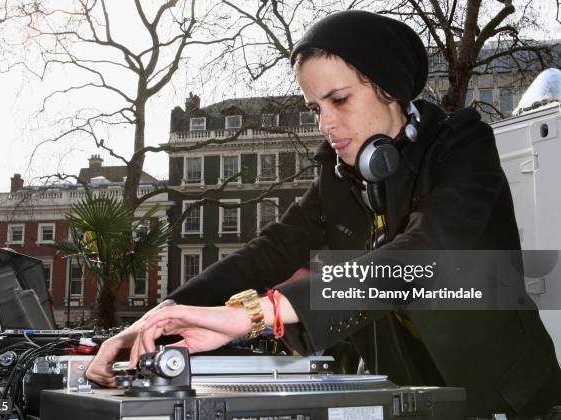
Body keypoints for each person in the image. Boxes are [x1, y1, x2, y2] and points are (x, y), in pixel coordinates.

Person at [86, 10, 561, 417]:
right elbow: (266, 253)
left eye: (339, 100)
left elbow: (426, 255)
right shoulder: (338, 175)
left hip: (508, 397)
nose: (325, 123)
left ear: (390, 87)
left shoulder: (462, 145)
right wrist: (149, 323)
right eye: (316, 107)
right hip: (408, 396)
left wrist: (256, 314)